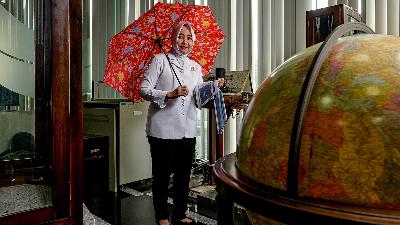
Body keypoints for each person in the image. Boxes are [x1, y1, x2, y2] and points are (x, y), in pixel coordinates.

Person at [140, 21, 224, 225]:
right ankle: (161, 215)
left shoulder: (195, 66)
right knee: (161, 175)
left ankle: (180, 213)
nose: (185, 41)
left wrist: (211, 88)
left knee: (183, 176)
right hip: (162, 130)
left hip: (187, 129)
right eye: (181, 36)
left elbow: (196, 98)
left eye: (189, 37)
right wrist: (169, 94)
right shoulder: (160, 60)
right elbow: (144, 89)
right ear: (173, 37)